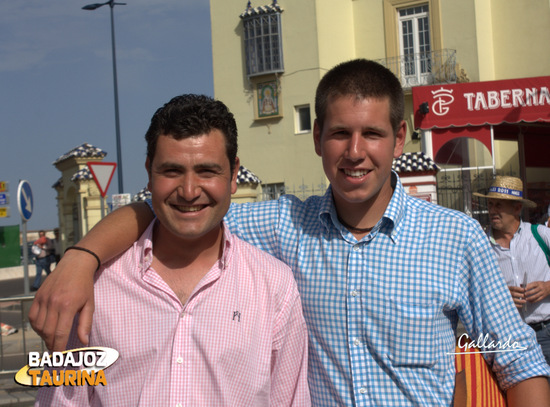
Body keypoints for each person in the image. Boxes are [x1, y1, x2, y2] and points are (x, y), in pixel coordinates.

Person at [30, 60, 550, 406]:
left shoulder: (456, 239)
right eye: (340, 133)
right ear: (318, 138)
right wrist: (82, 257)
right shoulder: (282, 226)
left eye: (372, 134)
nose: (355, 151)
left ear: (400, 139)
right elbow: (176, 209)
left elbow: (517, 360)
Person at [35, 94, 310, 406]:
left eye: (207, 171)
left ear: (234, 175)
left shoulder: (274, 286)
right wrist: (81, 258)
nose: (189, 191)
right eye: (172, 171)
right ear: (149, 172)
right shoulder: (92, 286)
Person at [474, 176, 550, 367]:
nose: (492, 210)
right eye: (491, 204)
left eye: (499, 205)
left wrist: (548, 287)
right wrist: (500, 295)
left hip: (547, 332)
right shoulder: (480, 247)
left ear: (517, 208)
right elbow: (471, 294)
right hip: (510, 339)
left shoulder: (540, 235)